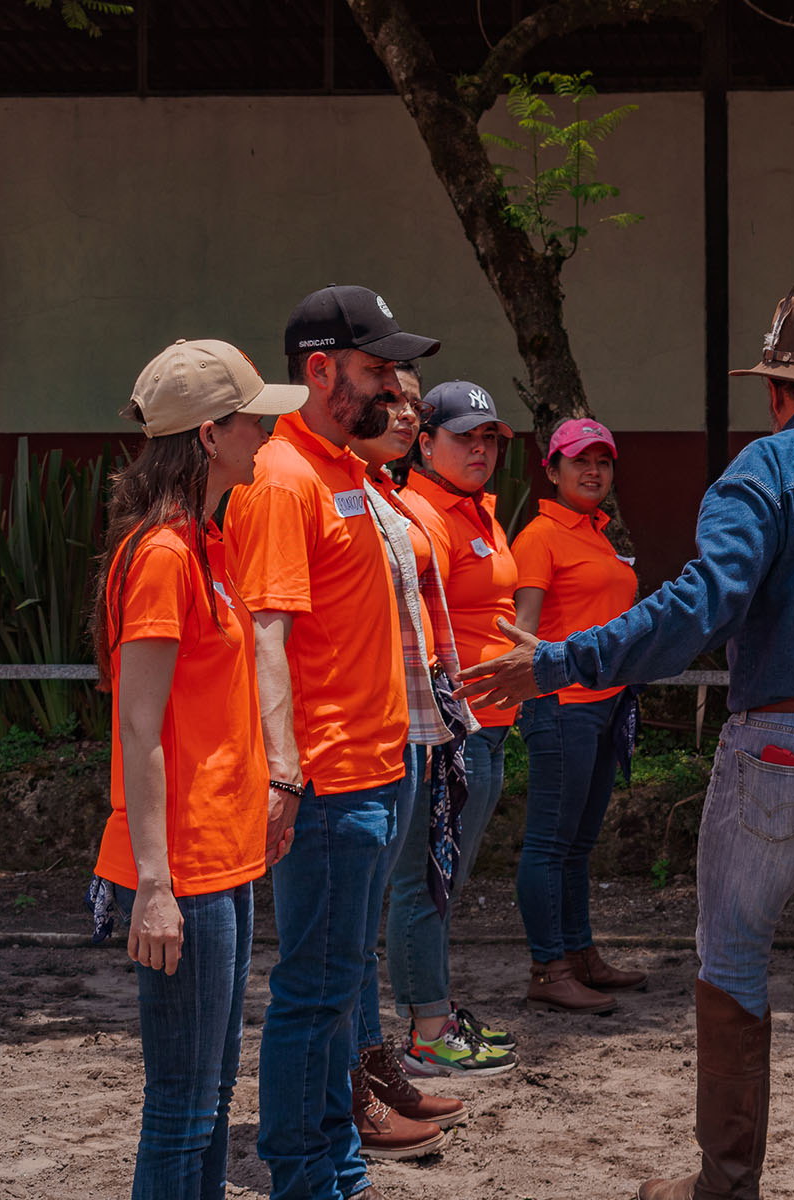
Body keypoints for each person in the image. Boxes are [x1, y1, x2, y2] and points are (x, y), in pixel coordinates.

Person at [456, 291, 794, 1200]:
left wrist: (561, 661)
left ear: (778, 391)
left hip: (786, 746)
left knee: (733, 956)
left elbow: (700, 606)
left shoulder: (768, 468)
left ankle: (726, 1182)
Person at [225, 284, 439, 1200]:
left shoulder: (344, 469)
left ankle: (337, 1168)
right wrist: (283, 776)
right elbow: (265, 636)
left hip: (374, 773)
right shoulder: (284, 479)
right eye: (378, 368)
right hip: (327, 783)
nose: (394, 385)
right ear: (321, 371)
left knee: (339, 986)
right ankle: (308, 1176)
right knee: (315, 993)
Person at [90, 338, 304, 1199]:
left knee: (207, 1101)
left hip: (220, 859)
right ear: (210, 436)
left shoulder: (204, 543)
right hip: (185, 867)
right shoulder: (165, 555)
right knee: (184, 1108)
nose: (267, 435)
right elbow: (138, 727)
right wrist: (153, 884)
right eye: (254, 421)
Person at [343, 381, 482, 1158]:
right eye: (392, 398)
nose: (405, 413)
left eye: (413, 404)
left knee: (361, 929)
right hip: (352, 744)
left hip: (403, 726)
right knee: (345, 938)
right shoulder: (311, 488)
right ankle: (351, 1093)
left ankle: (375, 1071)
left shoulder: (380, 493)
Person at [390, 379, 524, 1068]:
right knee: (426, 883)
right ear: (424, 443)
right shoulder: (422, 514)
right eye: (464, 437)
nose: (480, 449)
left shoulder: (478, 512)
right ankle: (428, 1032)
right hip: (453, 730)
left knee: (446, 882)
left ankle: (436, 1016)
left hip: (491, 725)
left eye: (489, 438)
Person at [509, 417, 646, 1013]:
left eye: (603, 461)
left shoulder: (597, 533)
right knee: (549, 843)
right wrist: (522, 696)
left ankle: (580, 954)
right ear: (553, 470)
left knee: (578, 844)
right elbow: (522, 631)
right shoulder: (540, 536)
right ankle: (549, 968)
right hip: (561, 706)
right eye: (580, 461)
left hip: (605, 706)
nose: (593, 471)